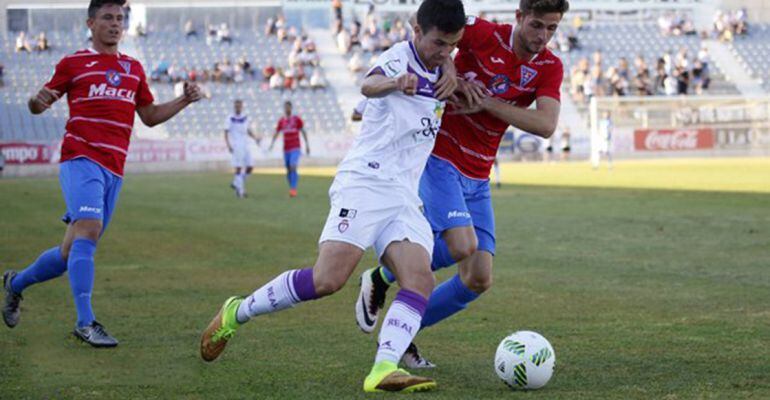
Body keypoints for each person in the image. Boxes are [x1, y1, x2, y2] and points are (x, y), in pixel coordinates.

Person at [199, 0, 466, 392]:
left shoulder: (443, 66)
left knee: (420, 279)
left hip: (403, 196)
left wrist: (450, 66)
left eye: (452, 45)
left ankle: (382, 370)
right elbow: (368, 84)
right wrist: (396, 84)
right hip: (365, 183)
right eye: (439, 43)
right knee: (327, 280)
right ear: (416, 30)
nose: (445, 51)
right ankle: (236, 312)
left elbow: (370, 106)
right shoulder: (398, 58)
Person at [355, 0, 568, 368]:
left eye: (552, 28)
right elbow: (422, 20)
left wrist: (486, 102)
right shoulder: (485, 33)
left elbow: (546, 125)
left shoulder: (550, 67)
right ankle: (384, 275)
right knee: (461, 244)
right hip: (440, 158)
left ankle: (401, 328)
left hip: (479, 173)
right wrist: (450, 67)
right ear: (518, 17)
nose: (543, 36)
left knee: (478, 277)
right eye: (536, 25)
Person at [2, 0, 202, 348]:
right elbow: (38, 105)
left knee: (69, 255)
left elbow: (150, 115)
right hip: (80, 158)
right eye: (107, 18)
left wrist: (183, 101)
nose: (115, 24)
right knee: (90, 231)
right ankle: (85, 322)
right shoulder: (73, 63)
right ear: (91, 23)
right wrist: (37, 101)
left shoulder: (134, 68)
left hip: (114, 168)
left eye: (120, 18)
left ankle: (14, 284)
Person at [268, 101, 309, 197]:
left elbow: (303, 131)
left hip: (295, 147)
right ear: (284, 109)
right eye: (286, 107)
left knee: (293, 166)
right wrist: (272, 144)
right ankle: (292, 186)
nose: (287, 109)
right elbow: (276, 132)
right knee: (288, 169)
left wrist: (307, 144)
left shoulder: (296, 119)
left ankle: (293, 189)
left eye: (289, 107)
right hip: (286, 149)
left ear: (291, 108)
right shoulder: (281, 121)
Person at [224, 100, 259, 198]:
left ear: (242, 106)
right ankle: (240, 192)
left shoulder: (245, 117)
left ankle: (236, 183)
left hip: (246, 145)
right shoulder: (230, 118)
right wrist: (229, 145)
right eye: (236, 106)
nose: (238, 107)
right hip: (236, 145)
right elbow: (226, 133)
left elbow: (248, 130)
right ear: (234, 107)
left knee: (250, 167)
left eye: (239, 105)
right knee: (238, 168)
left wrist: (255, 137)